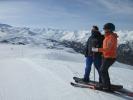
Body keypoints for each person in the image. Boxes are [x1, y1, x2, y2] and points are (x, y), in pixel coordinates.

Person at [92, 23, 118, 91]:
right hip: (106, 56)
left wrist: (97, 50)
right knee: (104, 71)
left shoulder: (111, 37)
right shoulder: (107, 36)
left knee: (102, 70)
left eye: (105, 28)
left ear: (109, 29)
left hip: (110, 57)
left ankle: (106, 86)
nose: (104, 30)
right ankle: (106, 84)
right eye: (104, 28)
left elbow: (108, 49)